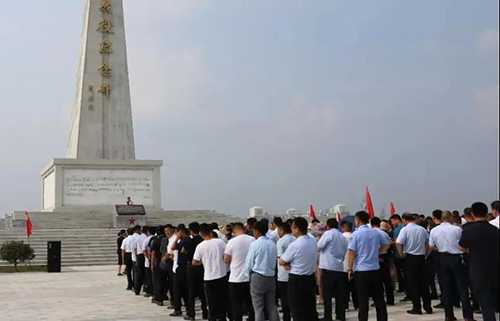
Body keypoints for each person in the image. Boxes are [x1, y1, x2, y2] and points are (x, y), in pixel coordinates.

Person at [429, 211, 473, 321]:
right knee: (462, 288)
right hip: (456, 258)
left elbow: (430, 246)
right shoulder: (457, 229)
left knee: (446, 288)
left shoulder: (434, 230)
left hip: (442, 258)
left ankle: (449, 315)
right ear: (450, 218)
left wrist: (440, 248)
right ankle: (467, 316)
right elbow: (463, 244)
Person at [347, 211, 390, 321]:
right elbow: (386, 244)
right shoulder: (376, 232)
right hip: (375, 269)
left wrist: (349, 268)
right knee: (379, 299)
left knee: (363, 301)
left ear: (358, 220)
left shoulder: (356, 234)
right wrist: (377, 252)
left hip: (362, 271)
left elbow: (351, 252)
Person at [459, 202, 499, 321]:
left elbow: (462, 247)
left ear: (472, 213)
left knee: (484, 299)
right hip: (495, 266)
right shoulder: (494, 229)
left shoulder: (469, 230)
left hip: (478, 268)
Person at [280, 217, 319, 321]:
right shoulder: (312, 241)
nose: (292, 230)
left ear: (297, 229)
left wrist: (286, 263)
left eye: (293, 228)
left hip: (297, 280)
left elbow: (282, 260)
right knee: (310, 309)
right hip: (310, 278)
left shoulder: (295, 244)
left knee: (297, 310)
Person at [396, 214, 433, 315]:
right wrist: (425, 254)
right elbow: (428, 243)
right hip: (421, 258)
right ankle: (428, 307)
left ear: (404, 220)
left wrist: (401, 254)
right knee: (424, 284)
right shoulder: (422, 229)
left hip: (410, 258)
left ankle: (417, 307)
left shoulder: (405, 230)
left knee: (413, 284)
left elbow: (398, 242)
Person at [245, 220, 280, 321]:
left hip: (258, 277)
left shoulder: (255, 244)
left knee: (258, 308)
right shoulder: (272, 243)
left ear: (257, 231)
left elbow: (249, 263)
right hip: (271, 277)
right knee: (271, 307)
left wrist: (248, 275)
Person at [193, 223, 228, 321]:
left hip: (209, 277)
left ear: (201, 233)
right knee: (222, 300)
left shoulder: (200, 246)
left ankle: (212, 318)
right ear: (210, 232)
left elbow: (194, 262)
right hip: (221, 275)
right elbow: (226, 256)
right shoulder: (220, 242)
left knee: (211, 302)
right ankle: (222, 318)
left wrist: (203, 262)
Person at [317, 218, 348, 321]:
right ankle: (340, 315)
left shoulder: (328, 234)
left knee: (328, 295)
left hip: (328, 268)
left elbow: (319, 245)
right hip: (339, 268)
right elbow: (345, 250)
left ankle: (328, 316)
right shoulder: (342, 236)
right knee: (340, 295)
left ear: (328, 226)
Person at [224, 222, 255, 321]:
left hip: (235, 278)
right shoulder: (252, 240)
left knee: (236, 305)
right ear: (244, 228)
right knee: (250, 303)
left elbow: (226, 259)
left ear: (234, 230)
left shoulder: (232, 242)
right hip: (250, 277)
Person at [186, 222, 208, 321]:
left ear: (190, 230)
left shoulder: (189, 242)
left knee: (191, 292)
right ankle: (205, 313)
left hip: (192, 267)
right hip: (202, 268)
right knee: (202, 292)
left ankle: (191, 314)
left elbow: (184, 252)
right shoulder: (203, 241)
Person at [370, 217, 395, 306]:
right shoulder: (383, 233)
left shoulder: (373, 233)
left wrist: (378, 253)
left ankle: (378, 300)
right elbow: (389, 243)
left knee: (377, 281)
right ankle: (390, 299)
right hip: (385, 256)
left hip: (377, 257)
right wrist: (383, 251)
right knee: (387, 279)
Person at [170, 225, 192, 317]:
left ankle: (182, 309)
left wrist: (178, 239)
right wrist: (177, 239)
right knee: (179, 290)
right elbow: (173, 247)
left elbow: (184, 252)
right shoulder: (181, 241)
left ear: (181, 231)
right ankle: (179, 309)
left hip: (184, 267)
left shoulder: (187, 241)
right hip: (180, 267)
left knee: (181, 290)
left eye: (177, 232)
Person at [276, 221, 295, 321]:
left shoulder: (281, 241)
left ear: (282, 230)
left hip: (283, 275)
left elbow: (280, 259)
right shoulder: (294, 239)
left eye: (278, 230)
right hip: (294, 273)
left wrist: (286, 264)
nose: (277, 232)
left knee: (284, 299)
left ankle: (286, 318)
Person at [341, 221, 358, 311]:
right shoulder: (355, 236)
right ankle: (357, 305)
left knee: (344, 288)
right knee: (355, 287)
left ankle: (345, 306)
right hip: (354, 265)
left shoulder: (341, 237)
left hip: (344, 265)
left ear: (343, 227)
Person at [389, 214, 406, 294]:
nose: (392, 223)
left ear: (396, 220)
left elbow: (397, 242)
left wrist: (389, 242)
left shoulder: (397, 230)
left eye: (392, 221)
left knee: (401, 272)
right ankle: (403, 287)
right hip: (405, 252)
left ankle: (403, 288)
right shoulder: (404, 228)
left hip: (399, 253)